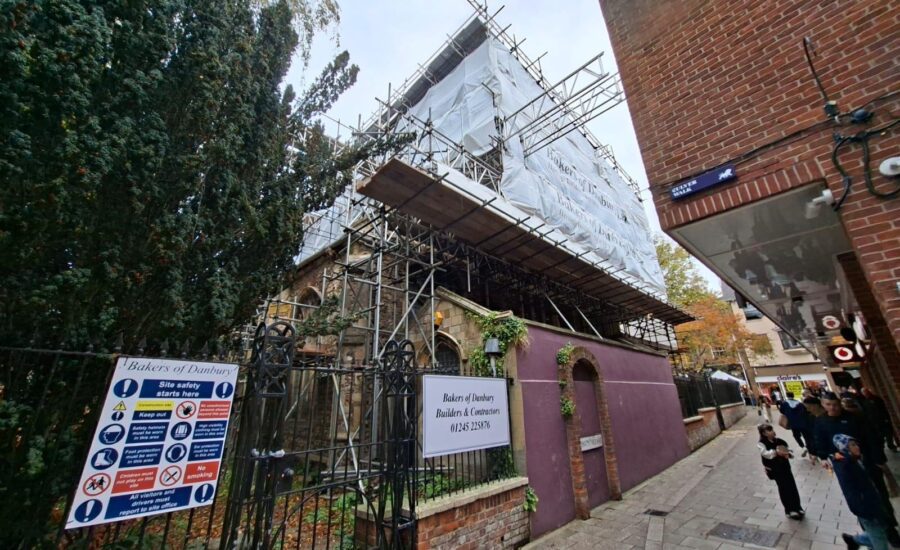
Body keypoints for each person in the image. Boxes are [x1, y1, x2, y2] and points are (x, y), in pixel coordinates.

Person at [814, 392, 900, 546]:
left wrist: (878, 459)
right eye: (828, 404)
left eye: (835, 404)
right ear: (823, 404)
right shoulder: (821, 422)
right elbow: (821, 443)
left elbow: (871, 438)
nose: (832, 408)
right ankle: (871, 534)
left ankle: (888, 530)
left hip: (867, 463)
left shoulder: (855, 418)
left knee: (880, 496)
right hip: (846, 469)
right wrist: (823, 457)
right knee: (860, 502)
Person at [829, 434, 891, 550]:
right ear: (845, 448)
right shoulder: (847, 465)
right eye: (852, 445)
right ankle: (856, 540)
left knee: (879, 531)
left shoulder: (853, 460)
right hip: (866, 507)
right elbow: (851, 491)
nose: (857, 447)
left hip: (872, 504)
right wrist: (863, 507)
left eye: (856, 444)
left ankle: (854, 540)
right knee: (879, 538)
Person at [757, 423, 804, 519]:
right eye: (769, 431)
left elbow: (788, 451)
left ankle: (798, 507)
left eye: (771, 429)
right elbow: (766, 454)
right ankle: (789, 510)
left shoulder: (780, 441)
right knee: (783, 488)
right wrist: (776, 452)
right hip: (775, 470)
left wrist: (788, 454)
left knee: (792, 487)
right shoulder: (761, 443)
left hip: (785, 468)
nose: (772, 432)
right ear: (764, 433)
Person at [861, 387, 899, 452]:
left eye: (866, 391)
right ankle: (882, 447)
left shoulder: (877, 399)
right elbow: (866, 413)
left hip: (882, 419)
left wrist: (886, 418)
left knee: (888, 433)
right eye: (864, 392)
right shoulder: (865, 402)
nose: (865, 393)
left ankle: (891, 445)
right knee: (880, 435)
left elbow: (883, 409)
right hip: (875, 422)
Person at [779, 391, 813, 457]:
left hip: (793, 424)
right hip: (803, 423)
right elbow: (806, 412)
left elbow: (781, 411)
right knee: (806, 436)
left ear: (787, 396)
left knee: (796, 436)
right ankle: (810, 449)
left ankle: (802, 447)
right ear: (793, 395)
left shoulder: (784, 404)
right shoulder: (800, 403)